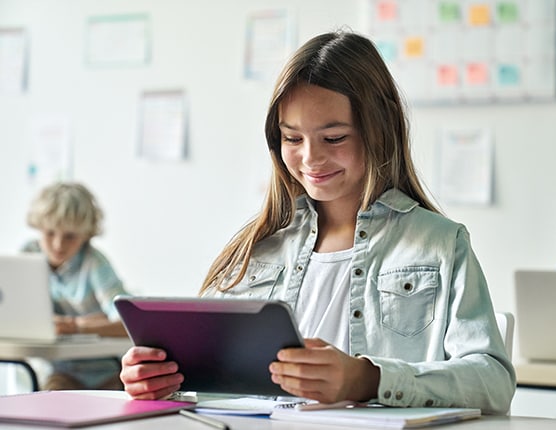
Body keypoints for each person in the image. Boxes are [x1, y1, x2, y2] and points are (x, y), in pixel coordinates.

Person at [120, 30, 516, 414]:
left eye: (334, 138)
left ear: (378, 129)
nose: (310, 158)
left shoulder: (440, 245)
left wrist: (369, 379)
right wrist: (163, 382)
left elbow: (492, 380)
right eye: (293, 139)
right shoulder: (257, 250)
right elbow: (206, 389)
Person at [23, 181, 130, 390]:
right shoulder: (28, 256)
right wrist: (94, 322)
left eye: (70, 236)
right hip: (60, 372)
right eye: (50, 233)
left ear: (86, 235)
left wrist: (73, 326)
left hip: (106, 372)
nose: (58, 245)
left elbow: (126, 322)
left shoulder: (94, 262)